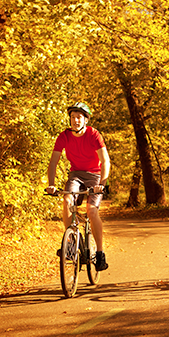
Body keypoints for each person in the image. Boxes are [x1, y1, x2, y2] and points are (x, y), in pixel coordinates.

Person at [46, 102, 111, 271]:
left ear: (85, 120)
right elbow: (53, 162)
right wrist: (51, 185)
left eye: (79, 117)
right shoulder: (64, 136)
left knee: (92, 210)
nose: (75, 121)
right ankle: (70, 243)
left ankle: (100, 253)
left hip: (95, 176)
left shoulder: (94, 135)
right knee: (67, 200)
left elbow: (105, 161)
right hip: (75, 175)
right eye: (73, 117)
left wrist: (102, 184)